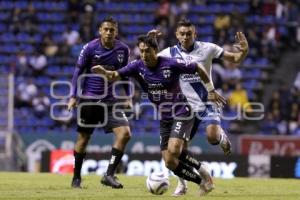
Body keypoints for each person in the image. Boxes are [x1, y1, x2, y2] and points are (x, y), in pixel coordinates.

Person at [92, 35, 226, 196]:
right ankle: (202, 179)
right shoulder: (137, 66)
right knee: (170, 161)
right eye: (141, 51)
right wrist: (105, 72)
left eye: (147, 51)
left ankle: (201, 174)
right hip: (164, 117)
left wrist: (211, 90)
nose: (144, 55)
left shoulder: (170, 63)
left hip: (182, 111)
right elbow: (115, 76)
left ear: (155, 50)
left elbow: (197, 67)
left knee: (174, 149)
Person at [149, 18, 249, 196]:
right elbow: (150, 62)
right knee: (178, 151)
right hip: (183, 108)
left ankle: (220, 137)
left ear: (195, 34)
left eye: (189, 33)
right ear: (177, 35)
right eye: (182, 34)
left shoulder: (208, 48)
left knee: (211, 137)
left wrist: (243, 52)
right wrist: (151, 43)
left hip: (207, 101)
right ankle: (182, 184)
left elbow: (234, 58)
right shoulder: (168, 53)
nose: (186, 36)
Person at [68, 16, 132, 189]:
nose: (109, 32)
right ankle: (76, 178)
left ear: (116, 32)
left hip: (110, 101)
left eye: (112, 30)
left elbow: (124, 74)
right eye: (106, 29)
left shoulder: (123, 50)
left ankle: (109, 175)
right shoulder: (90, 47)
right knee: (84, 138)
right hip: (89, 100)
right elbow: (78, 71)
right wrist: (73, 96)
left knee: (125, 133)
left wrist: (127, 96)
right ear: (100, 31)